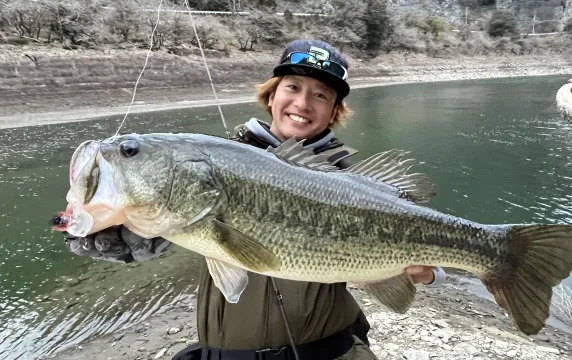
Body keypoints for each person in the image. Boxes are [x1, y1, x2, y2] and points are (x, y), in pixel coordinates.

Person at [64, 39, 447, 360]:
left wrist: (430, 273)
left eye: (321, 95)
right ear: (272, 94)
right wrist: (122, 239)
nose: (303, 103)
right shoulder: (211, 164)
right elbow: (157, 233)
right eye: (292, 87)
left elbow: (426, 248)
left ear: (334, 112)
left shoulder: (354, 183)